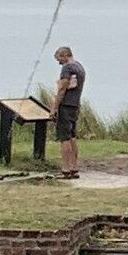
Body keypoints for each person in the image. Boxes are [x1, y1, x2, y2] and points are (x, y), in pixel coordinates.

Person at [50, 43, 86, 176]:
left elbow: (62, 89)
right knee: (72, 136)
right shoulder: (80, 67)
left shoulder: (67, 68)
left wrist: (54, 107)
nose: (59, 62)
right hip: (75, 105)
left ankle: (65, 168)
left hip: (65, 105)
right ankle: (74, 166)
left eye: (59, 58)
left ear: (65, 55)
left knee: (64, 137)